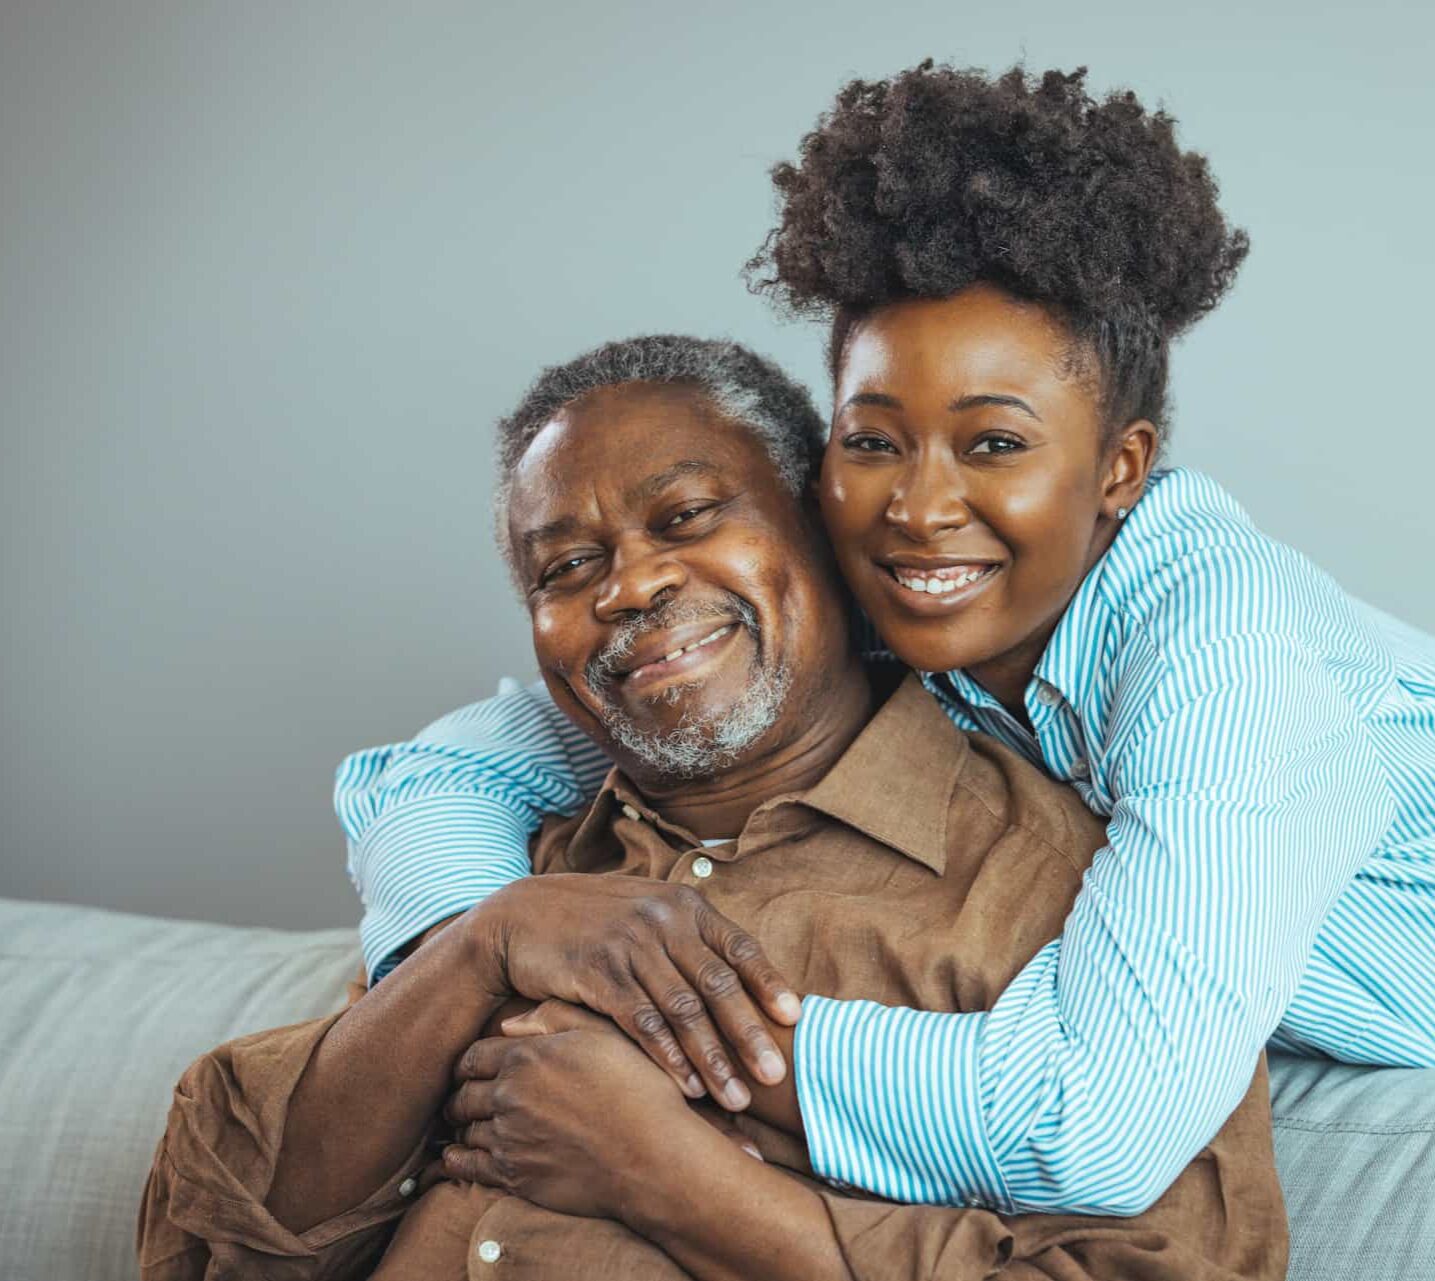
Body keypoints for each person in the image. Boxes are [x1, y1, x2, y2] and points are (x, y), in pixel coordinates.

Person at [336, 62, 1435, 1216]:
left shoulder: (1218, 652)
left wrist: (642, 1047)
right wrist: (477, 951)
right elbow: (435, 773)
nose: (917, 508)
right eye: (870, 440)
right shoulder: (860, 579)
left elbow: (1086, 1123)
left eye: (994, 442)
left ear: (1117, 471)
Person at [139, 336, 1288, 1281]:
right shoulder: (517, 873)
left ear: (830, 532)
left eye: (686, 518)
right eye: (563, 568)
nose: (627, 586)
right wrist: (487, 947)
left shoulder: (1075, 896)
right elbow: (219, 1240)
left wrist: (667, 1177)